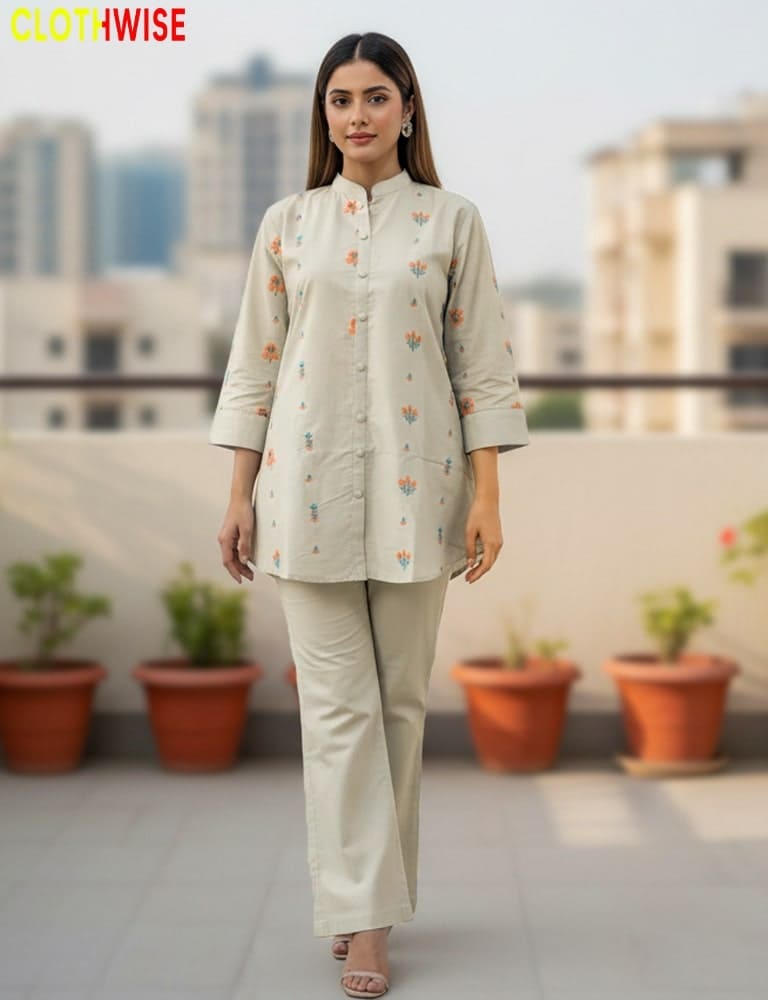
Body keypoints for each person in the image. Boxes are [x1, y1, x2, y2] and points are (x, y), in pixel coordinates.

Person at [209, 30, 530, 999]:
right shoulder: (287, 225)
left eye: (375, 97)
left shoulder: (451, 222)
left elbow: (481, 367)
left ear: (408, 108)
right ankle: (359, 916)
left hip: (415, 495)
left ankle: (373, 912)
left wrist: (489, 496)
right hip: (299, 497)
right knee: (338, 711)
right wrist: (236, 491)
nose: (357, 115)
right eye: (341, 99)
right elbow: (254, 365)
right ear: (324, 114)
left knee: (395, 708)